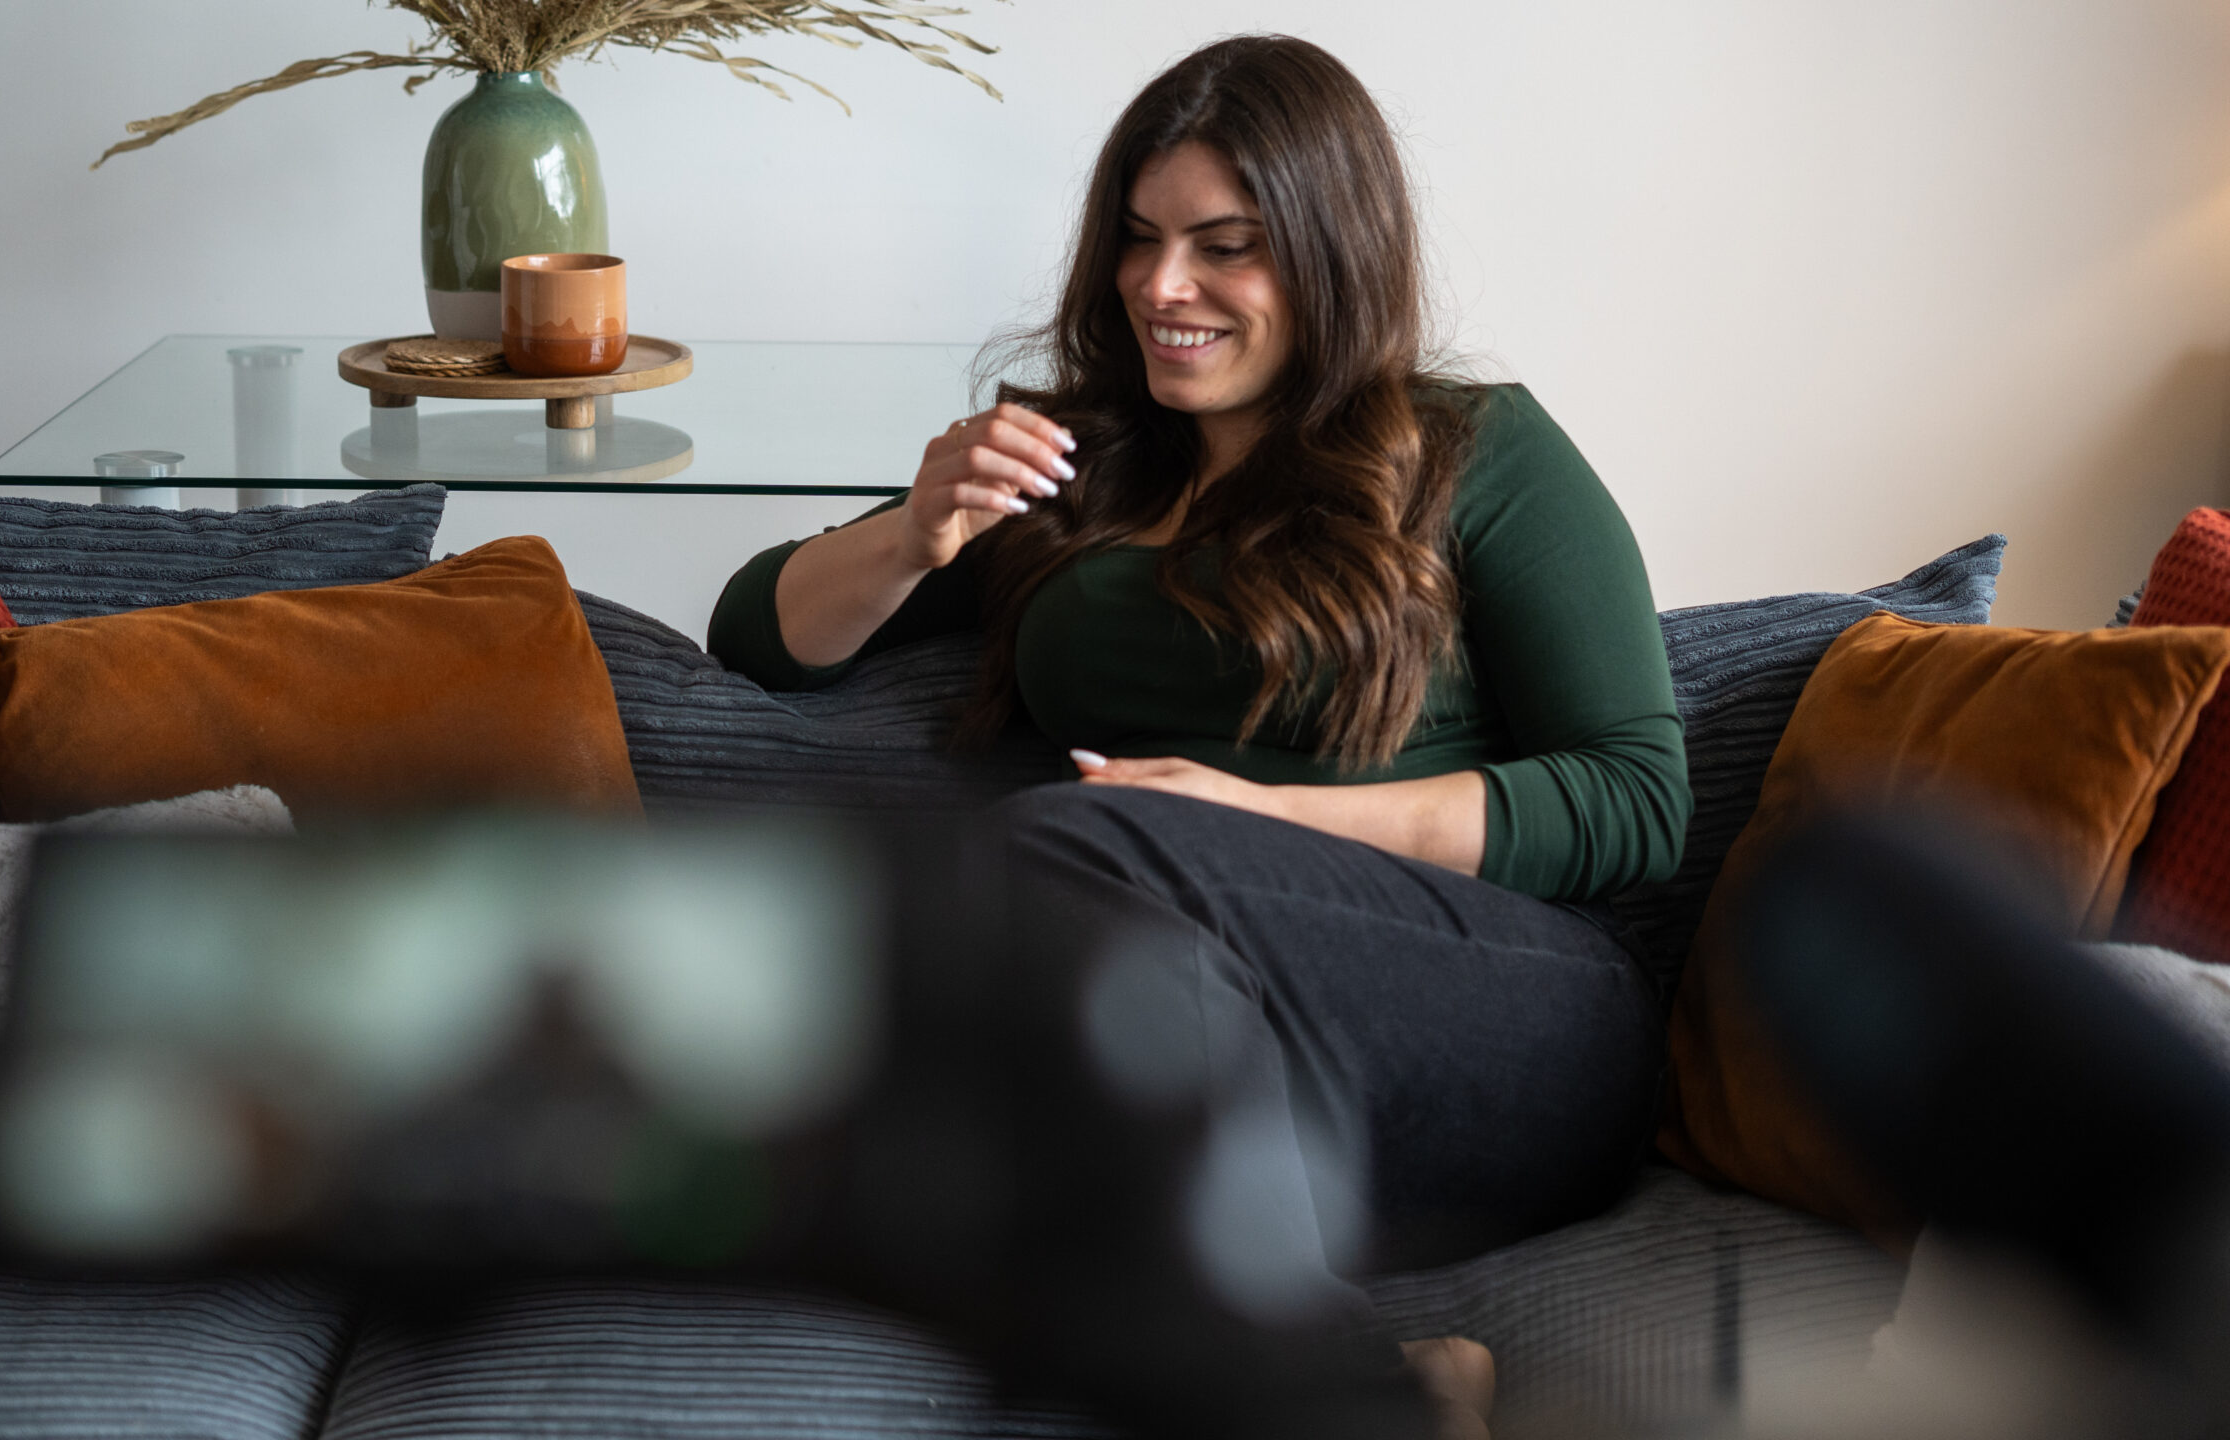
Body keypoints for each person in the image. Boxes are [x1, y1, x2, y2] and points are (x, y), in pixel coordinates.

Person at [709, 33, 1690, 1438]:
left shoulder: (1474, 450)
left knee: (1055, 864)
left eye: (1225, 248)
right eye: (1140, 238)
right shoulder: (1074, 465)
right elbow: (759, 634)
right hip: (1189, 1020)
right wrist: (914, 534)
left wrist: (1252, 817)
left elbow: (1637, 798)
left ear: (1332, 253)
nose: (1162, 287)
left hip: (1498, 1020)